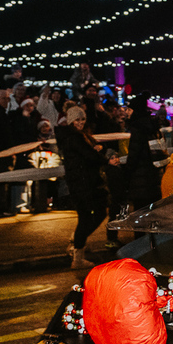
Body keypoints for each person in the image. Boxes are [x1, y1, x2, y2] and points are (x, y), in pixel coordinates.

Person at [58, 106, 109, 267]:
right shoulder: (74, 138)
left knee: (93, 214)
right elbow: (90, 155)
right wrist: (104, 157)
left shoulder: (80, 136)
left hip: (85, 183)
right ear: (70, 121)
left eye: (82, 119)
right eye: (77, 120)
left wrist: (98, 149)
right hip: (82, 184)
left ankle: (77, 245)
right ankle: (77, 253)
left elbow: (90, 152)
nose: (80, 122)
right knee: (89, 216)